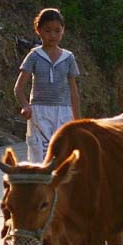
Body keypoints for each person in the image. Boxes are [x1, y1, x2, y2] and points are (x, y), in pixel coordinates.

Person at [14, 8, 81, 163]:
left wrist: (78, 121)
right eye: (48, 30)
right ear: (38, 30)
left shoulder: (68, 58)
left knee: (64, 154)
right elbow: (18, 87)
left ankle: (61, 186)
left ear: (63, 31)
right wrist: (25, 106)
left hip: (64, 112)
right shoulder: (34, 56)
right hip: (39, 113)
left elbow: (73, 92)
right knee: (40, 154)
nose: (53, 35)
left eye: (57, 31)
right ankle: (41, 186)